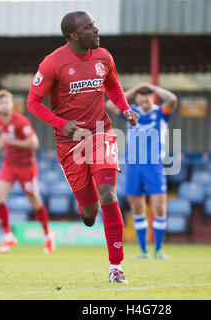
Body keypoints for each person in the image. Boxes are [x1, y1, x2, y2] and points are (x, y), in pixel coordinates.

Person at [26, 11, 139, 283]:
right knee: (91, 211)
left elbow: (113, 86)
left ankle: (116, 268)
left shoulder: (104, 57)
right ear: (73, 35)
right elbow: (33, 102)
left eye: (94, 24)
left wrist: (125, 109)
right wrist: (62, 124)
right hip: (70, 143)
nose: (96, 30)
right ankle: (86, 212)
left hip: (101, 132)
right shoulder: (53, 63)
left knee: (108, 193)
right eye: (89, 27)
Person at [106, 83, 178, 259]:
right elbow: (109, 105)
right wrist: (134, 89)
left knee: (159, 208)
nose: (144, 104)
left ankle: (159, 249)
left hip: (154, 165)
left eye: (147, 100)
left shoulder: (160, 113)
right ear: (136, 100)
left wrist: (151, 87)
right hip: (133, 165)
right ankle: (143, 250)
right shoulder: (131, 112)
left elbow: (172, 99)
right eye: (141, 101)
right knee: (138, 208)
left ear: (151, 99)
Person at [0, 89, 54, 254]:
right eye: (1, 102)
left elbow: (34, 143)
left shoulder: (21, 121)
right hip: (9, 164)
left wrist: (11, 141)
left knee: (36, 204)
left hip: (26, 166)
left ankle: (48, 236)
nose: (4, 105)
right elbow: (3, 137)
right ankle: (8, 236)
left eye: (7, 102)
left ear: (12, 105)